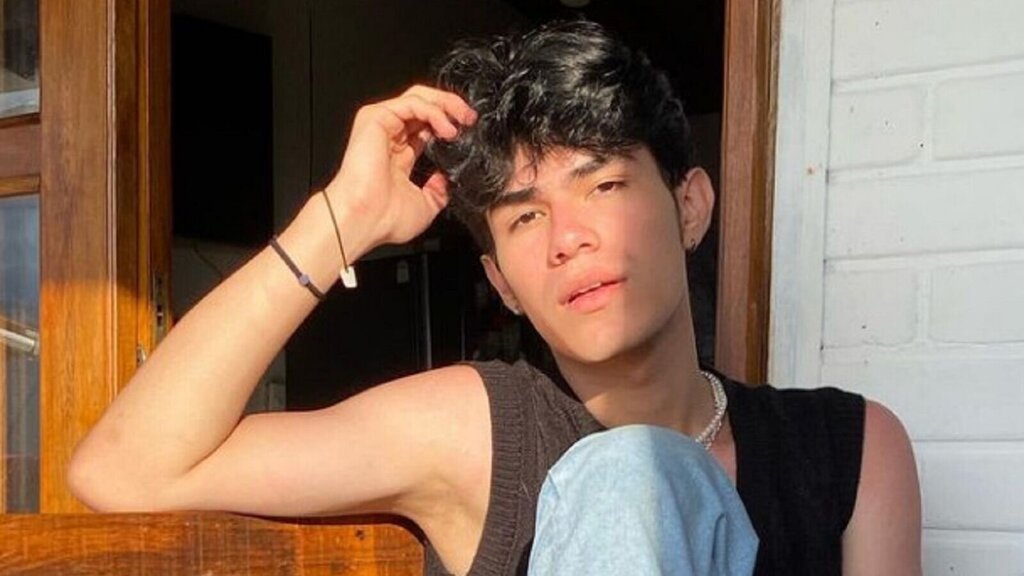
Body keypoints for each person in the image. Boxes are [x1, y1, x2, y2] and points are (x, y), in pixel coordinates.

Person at [68, 19, 921, 576]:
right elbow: (124, 469)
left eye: (603, 185)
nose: (567, 238)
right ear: (503, 283)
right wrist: (342, 221)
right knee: (630, 476)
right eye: (525, 216)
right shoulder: (474, 433)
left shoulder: (847, 450)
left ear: (690, 206)